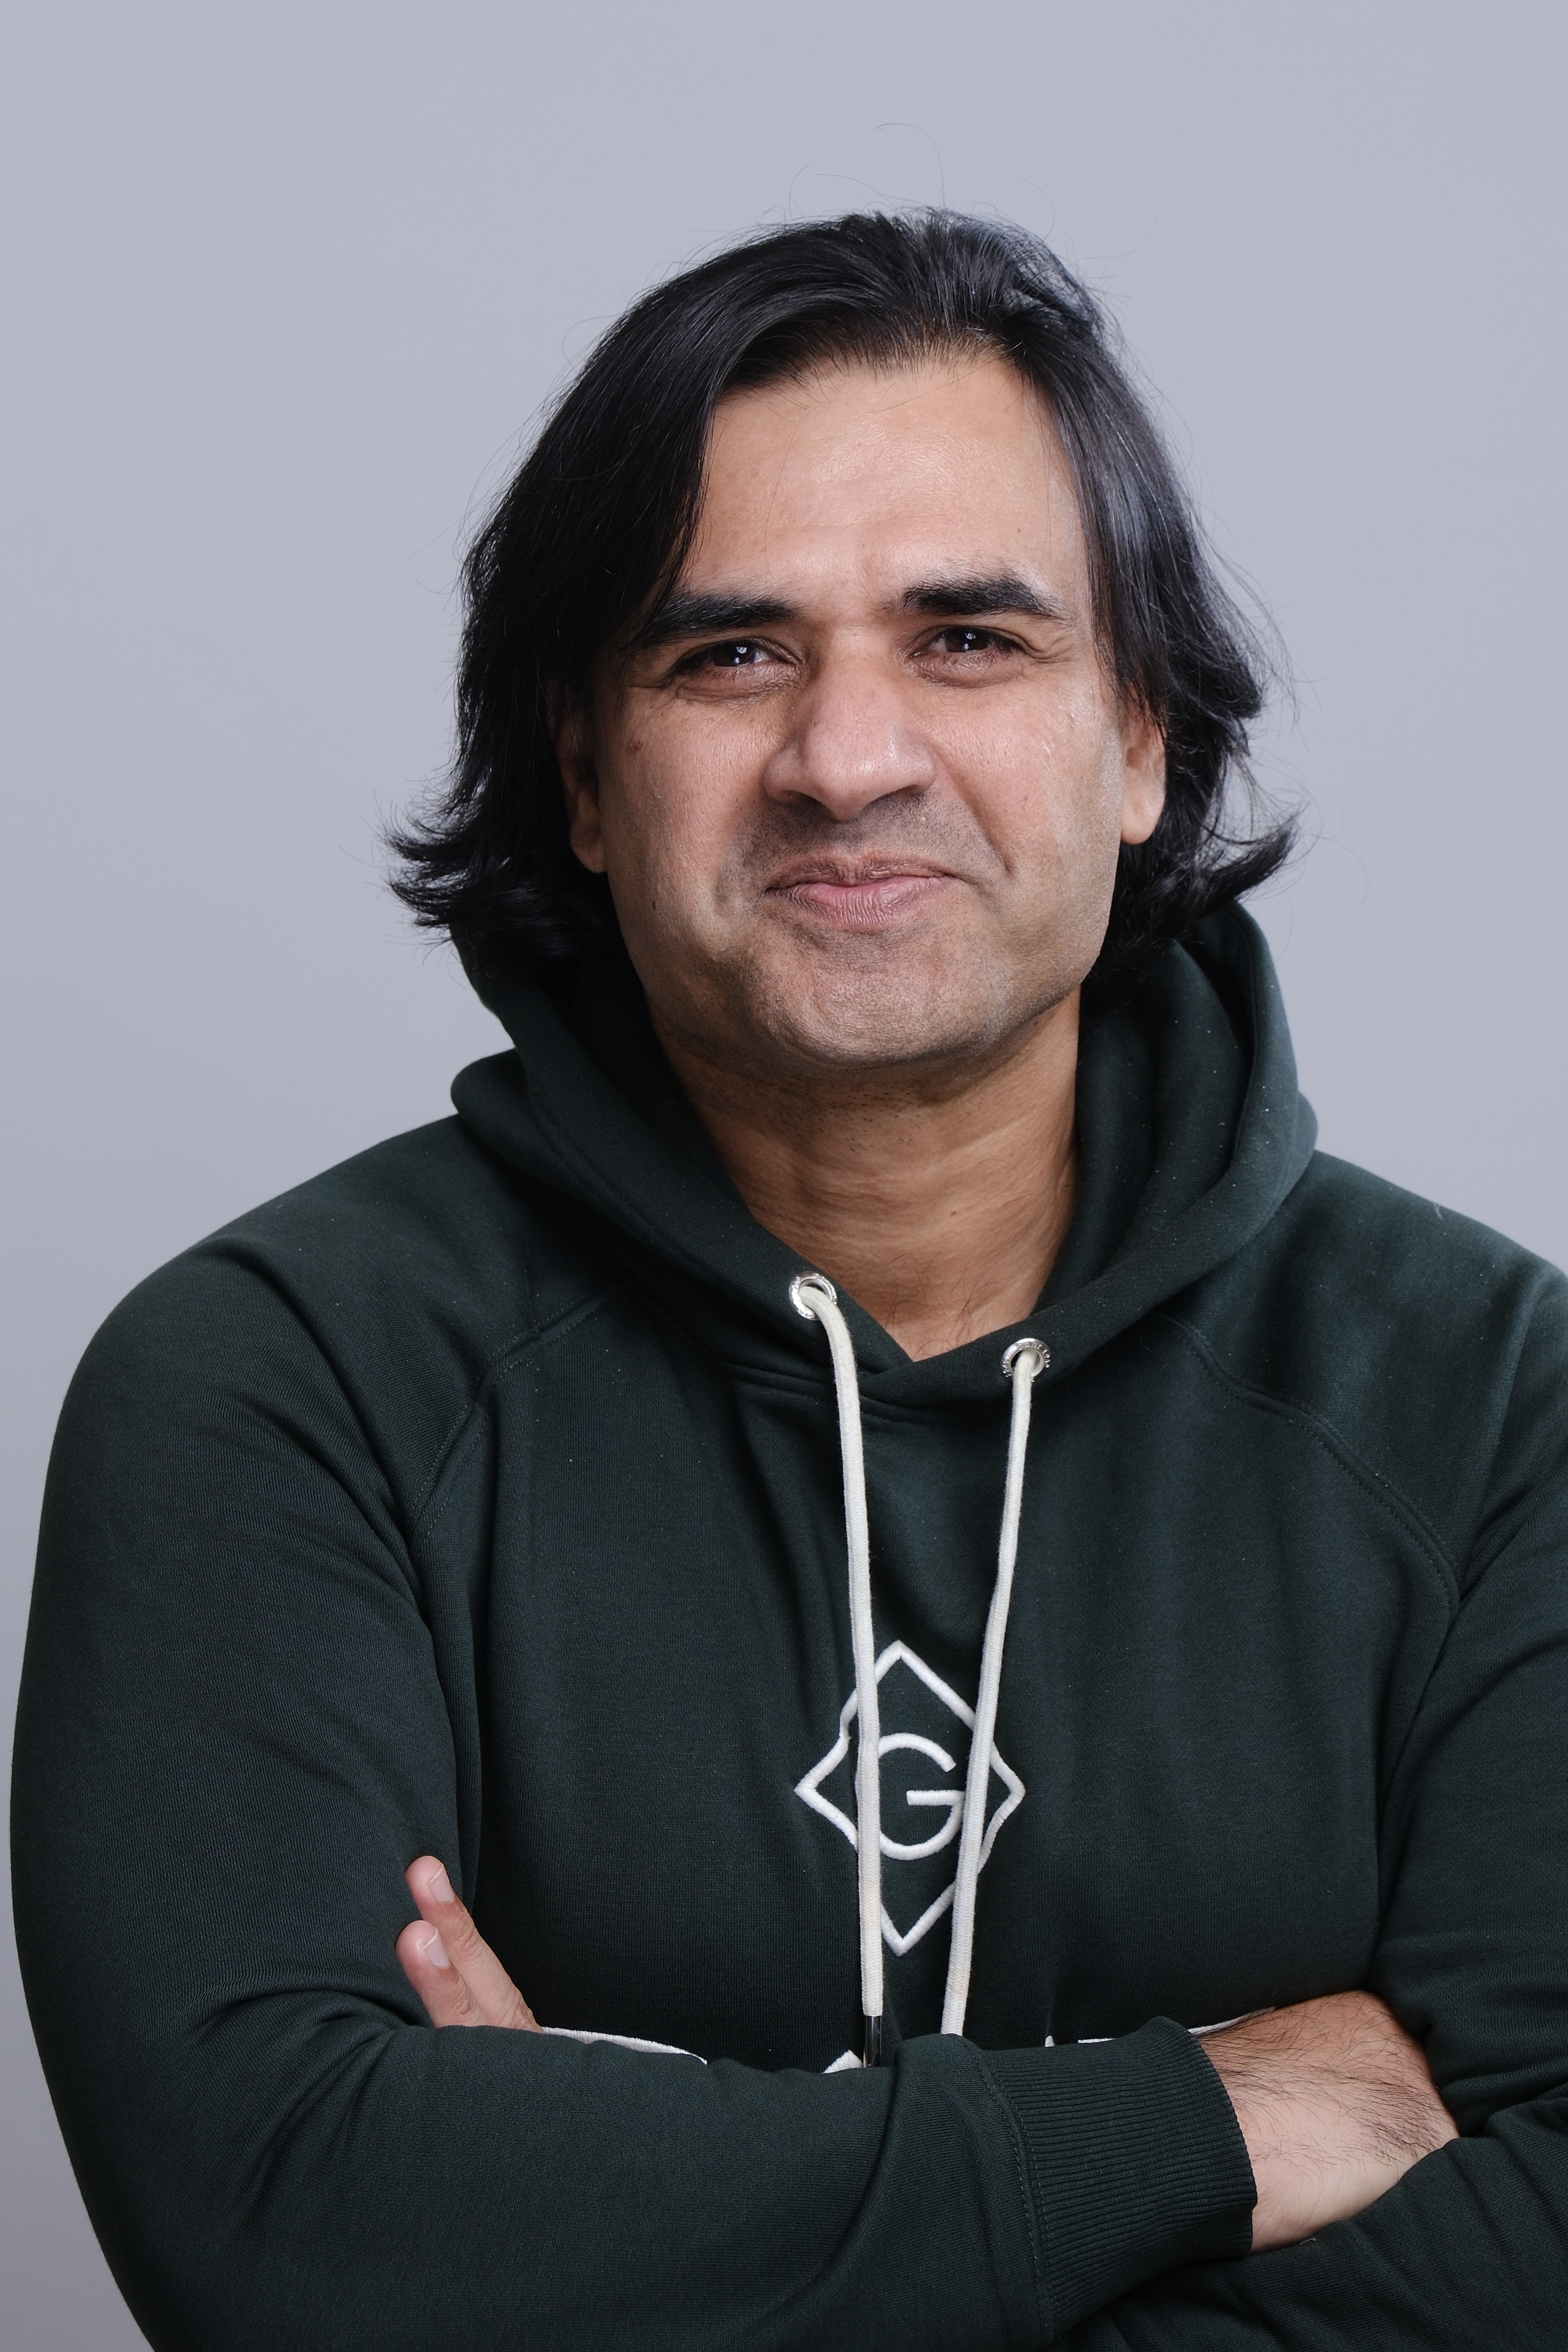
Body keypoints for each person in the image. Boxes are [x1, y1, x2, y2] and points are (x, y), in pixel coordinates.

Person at [12, 211, 1567, 2350]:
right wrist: (1207, 2120)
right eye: (729, 653)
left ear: (1138, 737)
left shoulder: (1498, 1409)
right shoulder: (281, 1388)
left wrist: (606, 2209)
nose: (846, 758)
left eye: (968, 639)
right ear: (583, 771)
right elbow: (280, 2220)